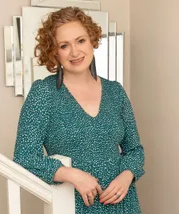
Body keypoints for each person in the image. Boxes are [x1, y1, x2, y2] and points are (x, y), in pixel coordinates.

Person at [13, 7, 145, 213]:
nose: (75, 52)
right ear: (54, 52)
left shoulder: (115, 92)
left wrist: (127, 175)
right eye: (64, 45)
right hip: (74, 204)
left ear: (92, 40)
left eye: (81, 41)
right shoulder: (43, 93)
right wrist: (72, 175)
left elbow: (135, 151)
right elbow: (25, 158)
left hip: (123, 204)